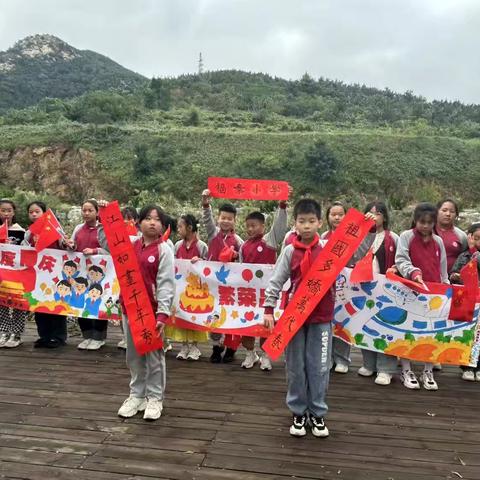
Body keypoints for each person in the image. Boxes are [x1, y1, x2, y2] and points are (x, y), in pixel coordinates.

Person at [263, 199, 333, 438]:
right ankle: (298, 411)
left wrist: (370, 229)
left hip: (321, 317)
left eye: (311, 221)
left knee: (320, 366)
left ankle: (317, 413)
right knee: (295, 366)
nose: (306, 226)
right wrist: (269, 309)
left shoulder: (329, 251)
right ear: (295, 224)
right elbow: (276, 280)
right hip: (295, 316)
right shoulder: (290, 250)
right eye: (302, 221)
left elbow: (357, 253)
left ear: (320, 223)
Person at [99, 203, 175, 421]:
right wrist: (106, 215)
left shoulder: (164, 250)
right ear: (138, 222)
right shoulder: (130, 244)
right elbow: (108, 241)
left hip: (150, 312)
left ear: (163, 225)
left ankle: (154, 398)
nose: (153, 222)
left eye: (158, 219)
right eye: (148, 218)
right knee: (133, 355)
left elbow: (166, 285)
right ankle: (136, 394)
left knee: (153, 356)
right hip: (129, 308)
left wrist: (162, 314)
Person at [395, 202, 448, 391]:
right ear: (415, 220)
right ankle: (406, 369)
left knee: (432, 332)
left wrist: (446, 288)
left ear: (434, 223)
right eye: (422, 222)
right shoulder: (406, 236)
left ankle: (428, 370)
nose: (425, 226)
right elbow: (401, 259)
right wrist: (413, 272)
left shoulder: (438, 241)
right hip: (411, 290)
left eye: (429, 222)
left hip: (434, 293)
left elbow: (443, 269)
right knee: (408, 331)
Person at [239, 203, 288, 370]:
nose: (250, 229)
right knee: (246, 325)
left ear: (263, 226)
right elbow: (238, 270)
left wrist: (282, 207)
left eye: (254, 226)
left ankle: (266, 356)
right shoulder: (243, 246)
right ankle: (250, 353)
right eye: (248, 227)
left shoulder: (270, 240)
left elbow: (280, 226)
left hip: (267, 295)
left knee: (267, 326)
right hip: (248, 295)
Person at [356, 201, 399, 385]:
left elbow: (400, 260)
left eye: (379, 213)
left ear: (385, 217)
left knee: (387, 326)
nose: (374, 216)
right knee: (366, 324)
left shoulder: (393, 238)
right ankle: (369, 364)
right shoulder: (358, 237)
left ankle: (386, 369)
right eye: (370, 213)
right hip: (362, 288)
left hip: (386, 290)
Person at [201, 189, 244, 363]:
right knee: (214, 314)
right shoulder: (213, 235)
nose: (225, 221)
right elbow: (207, 220)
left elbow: (243, 264)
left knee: (232, 315)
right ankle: (216, 347)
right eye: (223, 218)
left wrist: (235, 257)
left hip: (230, 287)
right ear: (218, 219)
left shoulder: (239, 242)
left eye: (229, 218)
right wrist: (206, 205)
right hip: (212, 285)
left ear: (235, 220)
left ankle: (231, 348)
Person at [63, 199, 108, 350]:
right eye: (84, 210)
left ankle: (99, 337)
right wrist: (71, 245)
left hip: (98, 275)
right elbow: (74, 247)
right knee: (80, 302)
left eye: (90, 210)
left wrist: (95, 251)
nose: (87, 213)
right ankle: (87, 336)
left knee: (96, 303)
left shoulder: (103, 229)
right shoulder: (78, 228)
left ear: (97, 212)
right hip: (81, 274)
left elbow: (109, 250)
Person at [23, 201, 67, 348]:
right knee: (39, 304)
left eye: (37, 211)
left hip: (54, 273)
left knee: (55, 304)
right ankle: (44, 335)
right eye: (31, 212)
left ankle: (58, 337)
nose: (34, 214)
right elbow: (24, 249)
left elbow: (63, 244)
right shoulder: (29, 232)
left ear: (45, 213)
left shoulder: (54, 228)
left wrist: (68, 243)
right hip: (37, 274)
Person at [167, 214, 209, 361]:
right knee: (180, 315)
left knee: (194, 315)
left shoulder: (201, 246)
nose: (178, 229)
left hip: (196, 289)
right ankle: (184, 345)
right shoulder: (177, 245)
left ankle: (195, 347)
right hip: (180, 288)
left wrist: (201, 261)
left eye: (180, 226)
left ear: (190, 228)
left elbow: (209, 266)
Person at [321, 202, 350, 373]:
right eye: (333, 214)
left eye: (341, 214)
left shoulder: (351, 236)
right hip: (327, 285)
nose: (337, 217)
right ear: (327, 217)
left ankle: (343, 359)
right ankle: (329, 357)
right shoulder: (323, 236)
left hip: (346, 285)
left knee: (343, 322)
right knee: (327, 322)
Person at [450, 222, 480, 382]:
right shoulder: (464, 256)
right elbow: (454, 273)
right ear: (470, 238)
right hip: (469, 301)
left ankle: (479, 367)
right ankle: (467, 366)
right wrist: (456, 276)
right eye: (476, 238)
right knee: (468, 335)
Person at [0, 199, 27, 348]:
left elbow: (26, 251)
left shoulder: (20, 231)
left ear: (13, 212)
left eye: (9, 210)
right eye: (3, 210)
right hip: (1, 273)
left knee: (17, 303)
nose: (6, 213)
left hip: (16, 274)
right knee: (2, 303)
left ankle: (16, 334)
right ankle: (4, 331)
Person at [435, 199, 468, 274]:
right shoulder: (427, 231)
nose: (448, 214)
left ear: (456, 215)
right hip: (426, 278)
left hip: (452, 280)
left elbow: (466, 257)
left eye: (452, 211)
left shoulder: (461, 236)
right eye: (444, 210)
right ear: (436, 211)